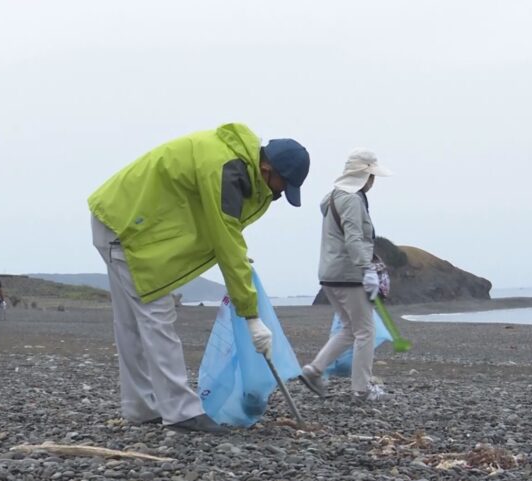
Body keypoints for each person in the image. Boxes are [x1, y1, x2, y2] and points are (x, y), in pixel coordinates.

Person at [88, 123, 310, 433]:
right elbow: (225, 235)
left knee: (132, 322)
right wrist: (251, 314)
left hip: (122, 218)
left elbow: (218, 227)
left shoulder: (234, 162)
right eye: (281, 185)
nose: (278, 193)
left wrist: (237, 258)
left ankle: (140, 407)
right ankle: (181, 412)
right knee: (155, 315)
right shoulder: (226, 170)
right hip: (128, 227)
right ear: (266, 167)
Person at [299, 149, 392, 401]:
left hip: (329, 273)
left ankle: (314, 370)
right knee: (366, 331)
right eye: (371, 176)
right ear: (364, 176)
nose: (373, 182)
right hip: (347, 274)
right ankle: (361, 389)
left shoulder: (331, 198)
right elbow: (353, 238)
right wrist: (367, 269)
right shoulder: (352, 200)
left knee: (351, 328)